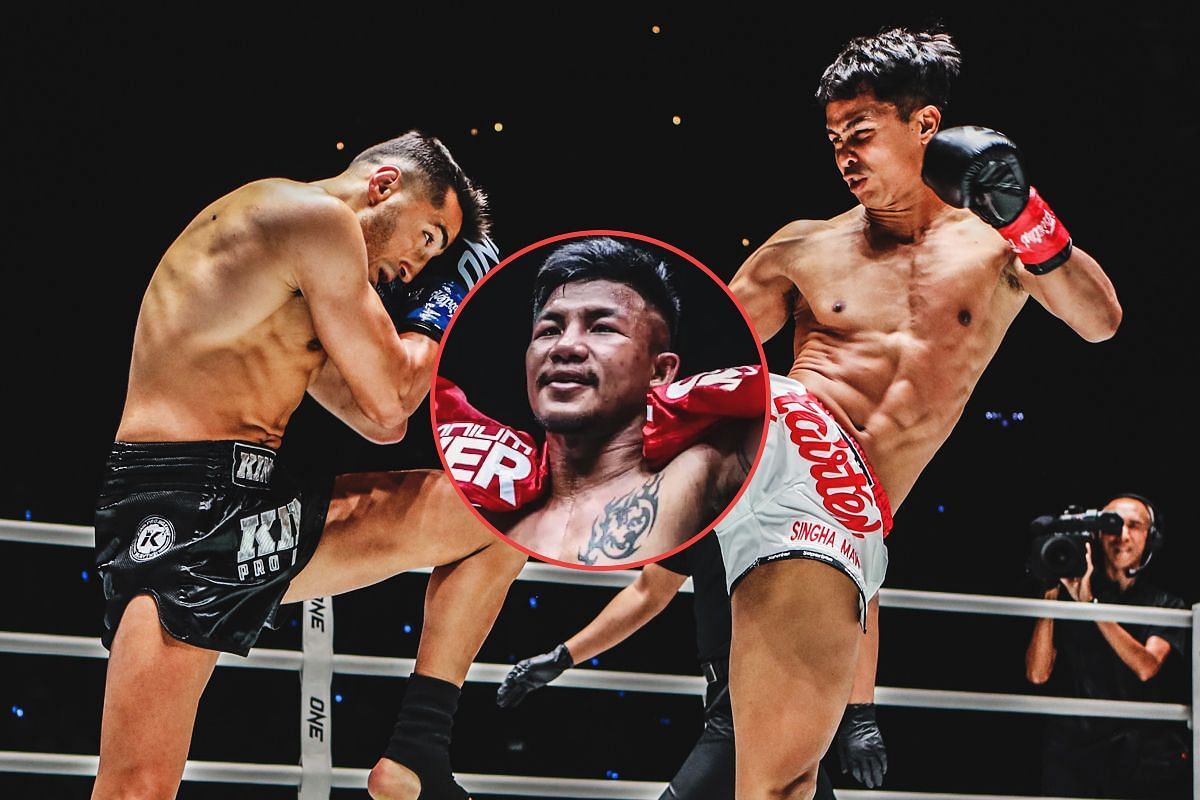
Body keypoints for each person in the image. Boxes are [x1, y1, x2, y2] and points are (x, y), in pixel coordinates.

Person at [722, 27, 1122, 798]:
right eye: (834, 138)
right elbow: (690, 348)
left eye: (862, 134)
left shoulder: (997, 248)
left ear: (926, 126)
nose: (844, 154)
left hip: (850, 523)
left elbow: (1100, 320)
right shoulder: (801, 248)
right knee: (772, 781)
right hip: (781, 471)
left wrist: (1025, 213)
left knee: (775, 772)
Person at [92, 131, 525, 800]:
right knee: (136, 788)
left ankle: (417, 748)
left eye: (437, 255)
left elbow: (382, 421)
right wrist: (450, 303)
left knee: (501, 507)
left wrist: (431, 322)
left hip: (255, 503)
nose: (418, 262)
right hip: (179, 506)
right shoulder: (312, 219)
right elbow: (390, 395)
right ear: (384, 185)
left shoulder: (298, 282)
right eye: (429, 238)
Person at [435, 236, 764, 567]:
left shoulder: (705, 471)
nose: (565, 347)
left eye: (602, 328)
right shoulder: (484, 503)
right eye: (549, 330)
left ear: (659, 371)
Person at [494, 531, 888, 798]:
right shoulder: (707, 499)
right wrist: (563, 655)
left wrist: (860, 712)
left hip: (768, 695)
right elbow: (648, 592)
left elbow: (860, 590)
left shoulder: (800, 489)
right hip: (731, 697)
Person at [1025, 493, 1190, 798]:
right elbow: (1037, 673)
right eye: (1112, 526)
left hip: (1141, 757)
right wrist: (1051, 591)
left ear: (1151, 538)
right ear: (1098, 535)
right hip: (1074, 755)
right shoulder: (1070, 591)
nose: (1122, 536)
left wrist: (1090, 605)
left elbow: (1146, 666)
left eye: (1134, 525)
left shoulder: (1166, 604)